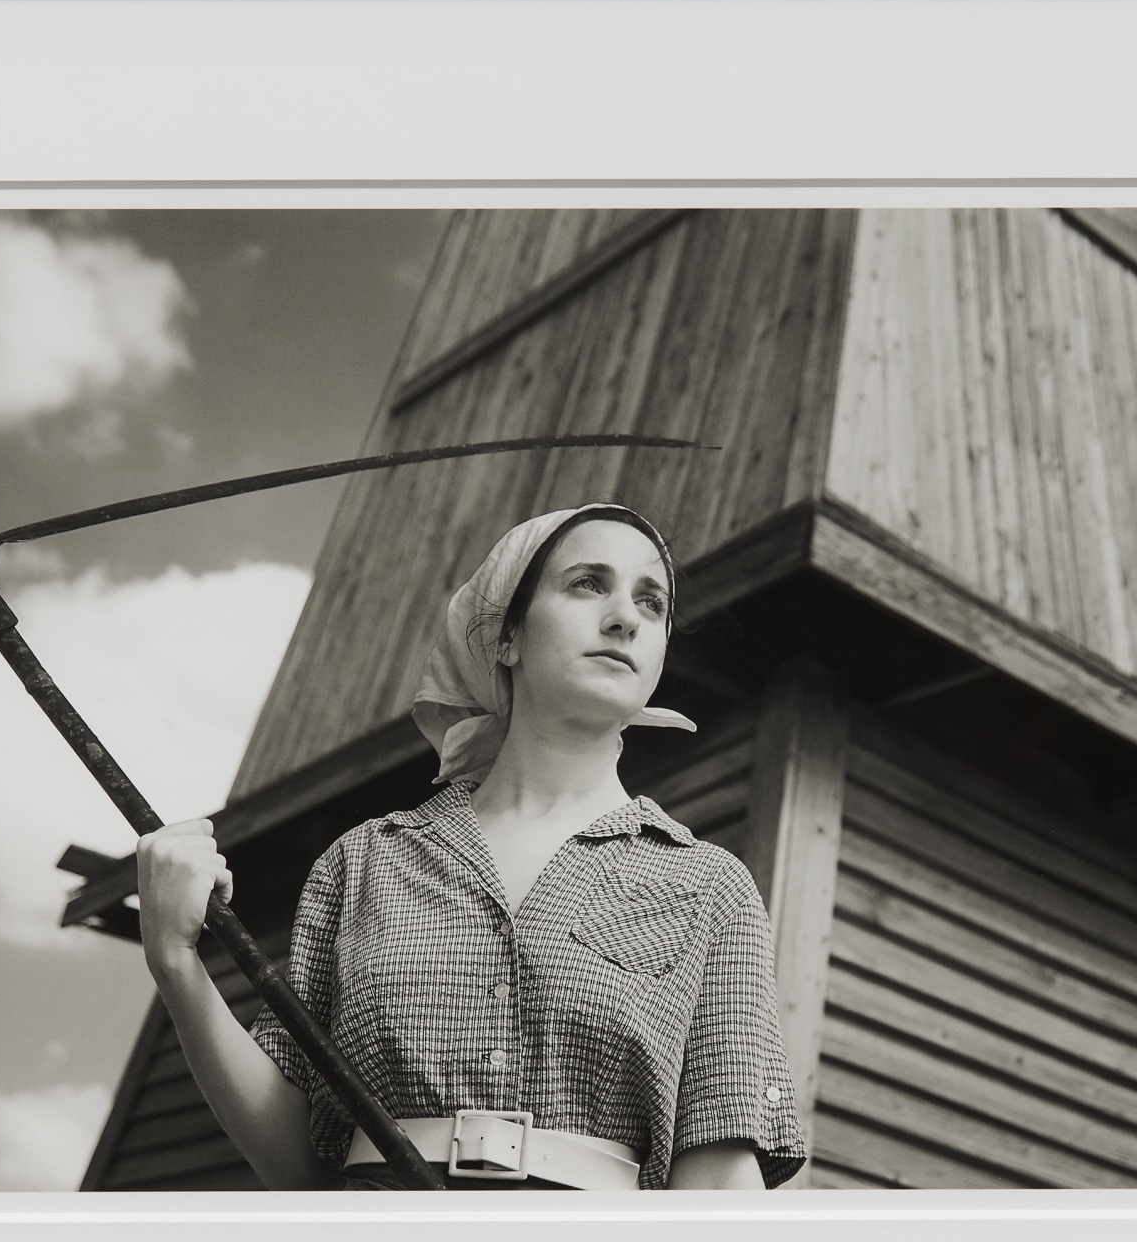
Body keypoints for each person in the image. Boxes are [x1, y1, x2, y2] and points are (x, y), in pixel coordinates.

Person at [135, 502, 808, 1191]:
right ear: (507, 636)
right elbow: (298, 1158)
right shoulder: (363, 863)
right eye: (587, 583)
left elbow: (721, 1184)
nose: (624, 617)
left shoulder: (708, 886)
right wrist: (174, 960)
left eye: (651, 601)